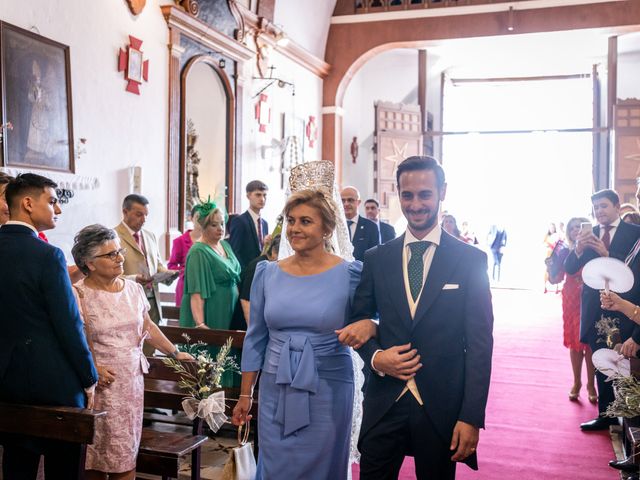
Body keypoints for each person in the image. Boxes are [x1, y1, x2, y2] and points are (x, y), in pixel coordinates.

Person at [349, 156, 494, 479]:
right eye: (407, 195)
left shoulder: (470, 261)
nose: (415, 204)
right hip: (385, 401)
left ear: (442, 192)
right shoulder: (377, 259)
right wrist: (376, 359)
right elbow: (358, 322)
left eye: (425, 194)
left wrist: (471, 416)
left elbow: (481, 344)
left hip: (441, 405)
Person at [232, 185, 374, 479]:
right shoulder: (267, 274)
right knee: (275, 464)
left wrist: (371, 325)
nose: (294, 229)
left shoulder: (351, 274)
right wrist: (246, 394)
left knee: (322, 466)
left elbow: (374, 319)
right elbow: (256, 338)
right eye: (291, 221)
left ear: (327, 229)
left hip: (329, 386)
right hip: (275, 386)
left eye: (305, 221)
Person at [71, 224, 193, 480]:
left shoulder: (133, 289)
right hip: (101, 384)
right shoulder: (79, 294)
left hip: (131, 384)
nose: (120, 258)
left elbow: (147, 326)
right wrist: (92, 370)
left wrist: (175, 352)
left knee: (126, 453)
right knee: (95, 456)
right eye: (111, 254)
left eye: (119, 251)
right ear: (89, 263)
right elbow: (74, 340)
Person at [0, 173, 98, 479]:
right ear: (28, 203)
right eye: (52, 201)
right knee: (63, 470)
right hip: (53, 384)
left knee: (17, 467)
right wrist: (88, 375)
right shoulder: (47, 255)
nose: (57, 210)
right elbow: (67, 322)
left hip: (7, 382)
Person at [565, 189, 640, 431]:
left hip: (624, 307)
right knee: (601, 361)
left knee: (624, 363)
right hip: (595, 308)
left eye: (604, 206)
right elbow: (570, 266)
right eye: (596, 208)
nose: (600, 212)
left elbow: (634, 269)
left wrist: (606, 254)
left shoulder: (634, 233)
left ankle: (630, 420)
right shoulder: (589, 234)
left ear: (617, 207)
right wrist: (578, 248)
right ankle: (606, 415)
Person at [180, 200, 241, 386]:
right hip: (212, 312)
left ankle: (229, 400)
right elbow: (196, 292)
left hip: (230, 311)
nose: (220, 228)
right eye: (214, 225)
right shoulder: (198, 251)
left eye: (222, 223)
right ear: (204, 226)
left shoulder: (226, 246)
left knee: (229, 355)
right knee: (214, 360)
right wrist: (200, 324)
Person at [115, 194, 177, 341]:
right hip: (127, 302)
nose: (144, 220)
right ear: (125, 212)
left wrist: (169, 274)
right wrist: (134, 278)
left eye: (146, 215)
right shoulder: (113, 236)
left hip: (152, 303)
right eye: (139, 215)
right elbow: (108, 275)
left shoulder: (150, 236)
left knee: (151, 350)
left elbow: (158, 265)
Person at [554, 217, 597, 403]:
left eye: (579, 227)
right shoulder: (564, 251)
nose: (575, 230)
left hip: (591, 298)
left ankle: (590, 384)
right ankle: (577, 382)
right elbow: (555, 278)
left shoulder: (595, 248)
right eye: (572, 228)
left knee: (590, 344)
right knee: (574, 343)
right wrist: (550, 264)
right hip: (571, 299)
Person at [238, 234, 281, 326]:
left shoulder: (272, 265)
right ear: (273, 252)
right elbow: (246, 300)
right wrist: (252, 329)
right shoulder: (257, 266)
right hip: (244, 325)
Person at [228, 180, 269, 269]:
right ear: (248, 196)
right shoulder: (239, 221)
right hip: (246, 274)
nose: (262, 199)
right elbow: (235, 251)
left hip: (262, 271)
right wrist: (245, 274)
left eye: (264, 195)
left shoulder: (265, 223)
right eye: (258, 195)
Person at [168, 205, 203, 307]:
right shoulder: (180, 241)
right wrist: (185, 270)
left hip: (207, 286)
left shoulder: (211, 241)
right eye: (198, 217)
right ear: (191, 218)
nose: (201, 220)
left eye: (204, 217)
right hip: (186, 286)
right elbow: (171, 265)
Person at [341, 186, 379, 261]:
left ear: (358, 202)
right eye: (343, 201)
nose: (346, 204)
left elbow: (375, 257)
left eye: (350, 200)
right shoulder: (333, 226)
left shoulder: (371, 227)